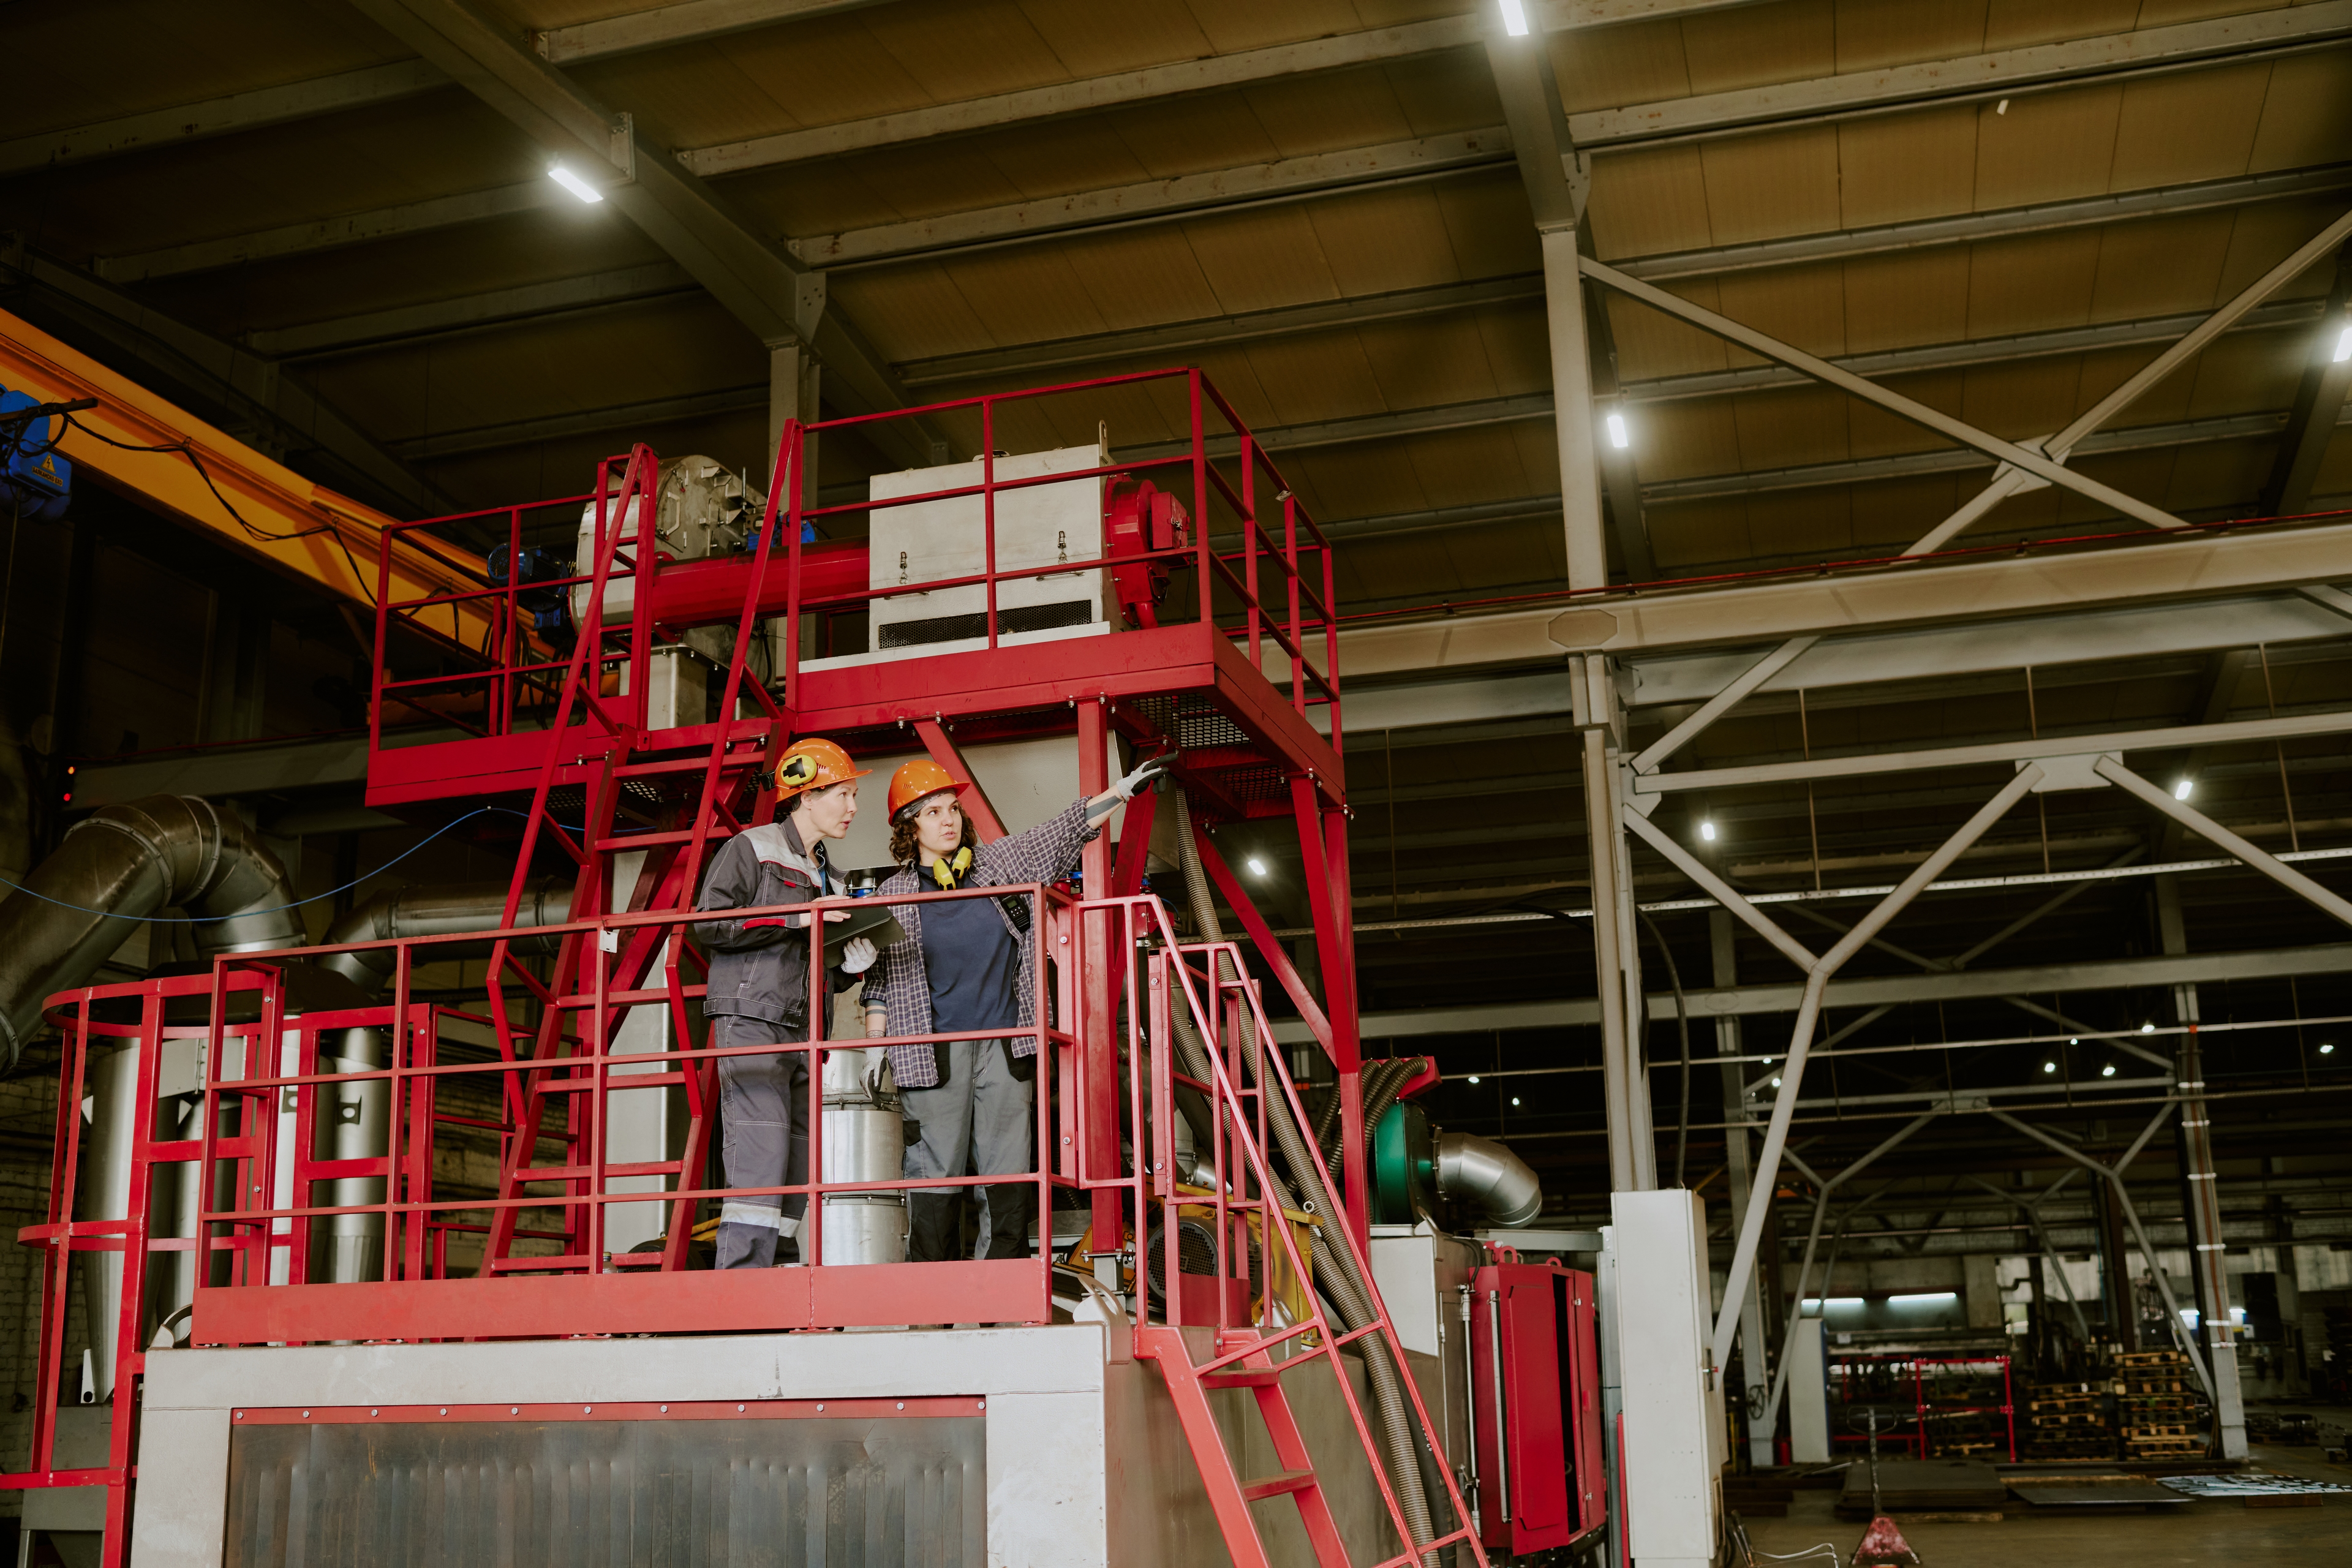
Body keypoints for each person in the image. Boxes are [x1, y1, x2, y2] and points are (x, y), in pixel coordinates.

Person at [862, 753, 1170, 1264]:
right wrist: (875, 1048)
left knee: (1007, 1174)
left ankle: (1000, 1296)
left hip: (1006, 1046)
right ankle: (931, 1301)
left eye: (952, 809)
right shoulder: (893, 895)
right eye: (933, 811)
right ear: (907, 826)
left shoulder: (999, 865)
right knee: (935, 1175)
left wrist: (1121, 791)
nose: (947, 820)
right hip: (931, 1053)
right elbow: (880, 978)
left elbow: (1066, 829)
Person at [695, 737, 880, 1268]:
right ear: (804, 795)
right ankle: (743, 1284)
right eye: (842, 794)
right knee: (763, 1150)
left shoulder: (833, 877)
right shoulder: (751, 848)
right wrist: (795, 919)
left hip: (807, 1029)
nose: (852, 807)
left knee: (799, 1159)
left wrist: (847, 968)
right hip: (753, 1017)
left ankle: (780, 1269)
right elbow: (711, 925)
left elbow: (813, 963)